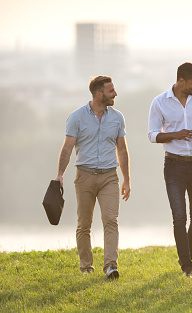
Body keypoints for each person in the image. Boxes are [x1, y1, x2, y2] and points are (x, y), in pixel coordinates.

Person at [55, 75, 131, 279]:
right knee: (84, 223)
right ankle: (86, 267)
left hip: (109, 177)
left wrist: (126, 179)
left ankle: (110, 266)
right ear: (99, 94)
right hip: (85, 177)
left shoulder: (117, 117)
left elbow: (122, 150)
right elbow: (67, 149)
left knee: (110, 220)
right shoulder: (76, 117)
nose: (115, 94)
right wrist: (60, 174)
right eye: (111, 91)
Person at [148, 62, 192, 278]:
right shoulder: (159, 102)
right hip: (174, 166)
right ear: (181, 81)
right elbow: (152, 135)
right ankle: (187, 266)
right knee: (179, 217)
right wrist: (175, 135)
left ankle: (185, 257)